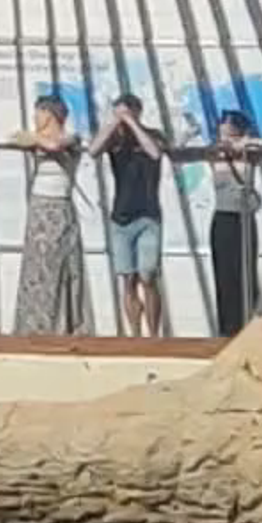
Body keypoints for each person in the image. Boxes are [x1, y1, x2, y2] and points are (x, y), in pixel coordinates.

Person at [92, 85, 172, 338]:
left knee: (147, 275)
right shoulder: (114, 140)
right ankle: (135, 333)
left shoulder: (154, 135)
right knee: (127, 278)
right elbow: (93, 150)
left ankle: (153, 334)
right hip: (121, 217)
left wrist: (132, 123)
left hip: (148, 216)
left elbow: (154, 152)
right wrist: (114, 123)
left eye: (129, 113)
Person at [12, 96, 89, 339]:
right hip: (39, 204)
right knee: (37, 267)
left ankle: (63, 323)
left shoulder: (71, 138)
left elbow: (55, 146)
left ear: (49, 114)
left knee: (59, 265)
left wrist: (34, 138)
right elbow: (14, 137)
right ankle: (34, 324)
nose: (35, 118)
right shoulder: (38, 140)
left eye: (38, 113)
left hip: (59, 208)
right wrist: (33, 138)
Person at [200, 105, 262, 340]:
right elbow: (185, 153)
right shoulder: (215, 156)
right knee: (224, 274)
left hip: (244, 218)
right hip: (223, 217)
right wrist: (221, 147)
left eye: (231, 135)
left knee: (245, 272)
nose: (226, 140)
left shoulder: (250, 155)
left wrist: (244, 144)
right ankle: (226, 329)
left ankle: (246, 324)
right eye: (222, 135)